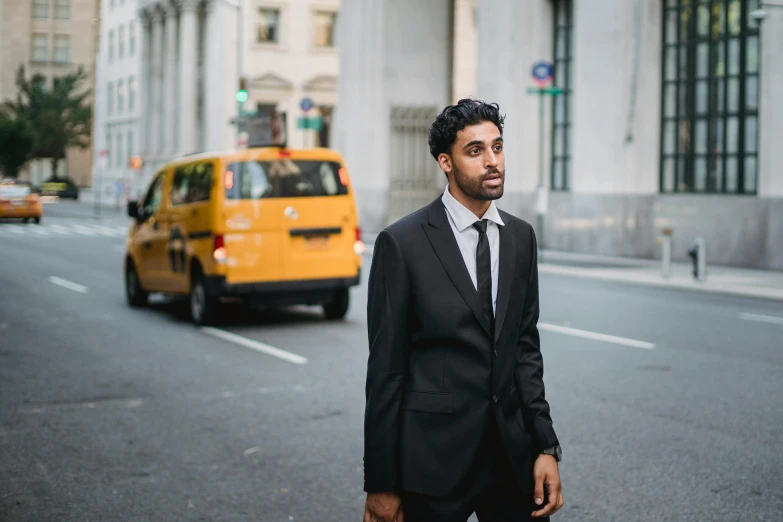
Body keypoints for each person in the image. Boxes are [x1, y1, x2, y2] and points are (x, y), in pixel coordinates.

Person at [362, 99, 564, 522]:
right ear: (446, 162)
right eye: (475, 151)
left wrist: (545, 446)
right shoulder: (402, 244)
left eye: (497, 147)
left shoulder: (520, 239)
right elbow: (386, 371)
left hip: (511, 461)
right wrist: (382, 482)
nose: (492, 161)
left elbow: (526, 351)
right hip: (432, 466)